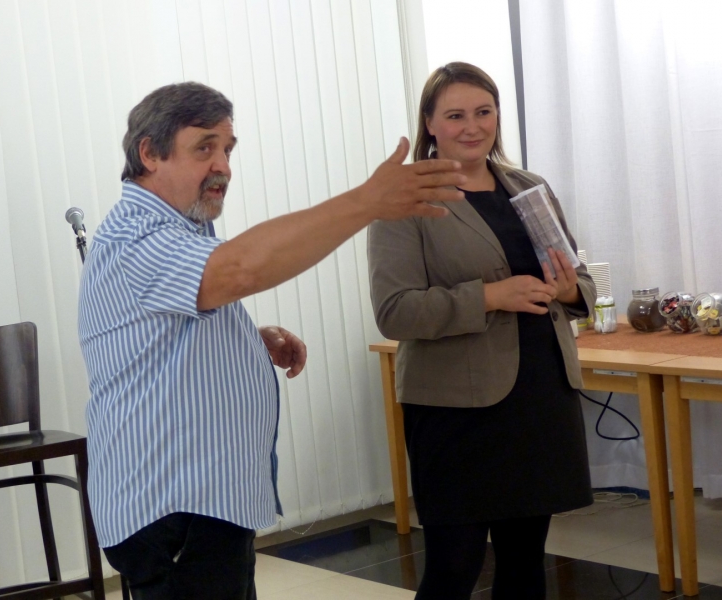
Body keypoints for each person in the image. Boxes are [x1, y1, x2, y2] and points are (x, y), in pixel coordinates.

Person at [77, 81, 467, 600]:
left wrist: (244, 340)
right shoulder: (136, 234)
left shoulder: (182, 229)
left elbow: (157, 335)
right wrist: (366, 202)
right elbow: (241, 268)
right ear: (149, 153)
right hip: (172, 506)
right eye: (204, 148)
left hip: (202, 503)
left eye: (228, 149)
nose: (223, 166)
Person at [368, 62, 595, 599]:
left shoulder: (529, 187)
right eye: (455, 115)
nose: (472, 127)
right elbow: (395, 311)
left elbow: (579, 281)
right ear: (429, 123)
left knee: (524, 564)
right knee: (454, 567)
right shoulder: (405, 199)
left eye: (484, 112)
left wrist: (567, 290)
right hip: (456, 409)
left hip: (540, 393)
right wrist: (491, 297)